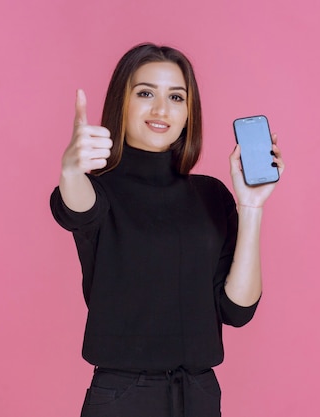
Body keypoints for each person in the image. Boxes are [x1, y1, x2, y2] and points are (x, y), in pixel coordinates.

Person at [50, 43, 284, 417]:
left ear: (189, 112)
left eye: (176, 97)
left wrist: (252, 206)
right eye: (145, 93)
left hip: (200, 394)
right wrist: (70, 170)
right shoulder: (99, 191)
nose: (162, 110)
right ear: (120, 103)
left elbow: (237, 310)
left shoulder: (211, 195)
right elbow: (76, 207)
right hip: (122, 397)